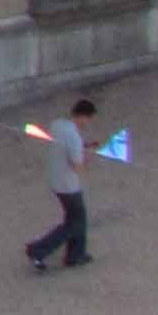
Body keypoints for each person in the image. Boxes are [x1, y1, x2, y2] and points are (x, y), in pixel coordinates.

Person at [26, 95, 97, 273]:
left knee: (76, 219)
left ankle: (76, 255)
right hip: (68, 186)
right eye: (88, 119)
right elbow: (77, 165)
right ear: (82, 116)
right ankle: (38, 250)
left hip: (56, 179)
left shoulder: (58, 124)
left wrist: (84, 145)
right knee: (75, 223)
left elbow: (64, 144)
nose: (87, 123)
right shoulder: (73, 136)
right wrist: (88, 156)